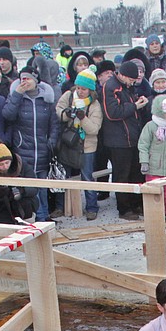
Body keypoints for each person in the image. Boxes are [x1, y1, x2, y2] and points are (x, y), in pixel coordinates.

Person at [2, 67, 58, 221]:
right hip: (23, 148)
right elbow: (7, 114)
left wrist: (51, 141)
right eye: (22, 79)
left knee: (42, 185)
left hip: (42, 148)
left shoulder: (46, 99)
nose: (24, 81)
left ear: (36, 80)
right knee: (28, 185)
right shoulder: (17, 97)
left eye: (27, 78)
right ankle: (32, 217)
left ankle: (44, 216)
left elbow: (54, 123)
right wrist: (17, 94)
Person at [100, 59, 150, 220]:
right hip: (118, 140)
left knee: (136, 173)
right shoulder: (110, 87)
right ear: (122, 75)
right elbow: (112, 113)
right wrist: (135, 106)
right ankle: (124, 208)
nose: (132, 82)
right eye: (130, 79)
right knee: (122, 175)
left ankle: (136, 204)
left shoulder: (127, 86)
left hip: (132, 137)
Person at [55, 68, 103, 220]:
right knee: (64, 176)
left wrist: (83, 118)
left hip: (86, 145)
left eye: (84, 89)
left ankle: (91, 207)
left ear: (90, 89)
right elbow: (58, 110)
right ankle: (61, 206)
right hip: (68, 142)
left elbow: (94, 129)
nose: (80, 91)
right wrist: (66, 114)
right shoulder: (69, 96)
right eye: (78, 88)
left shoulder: (94, 105)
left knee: (87, 177)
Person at [139, 97, 166, 221]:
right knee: (153, 192)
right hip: (153, 166)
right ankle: (154, 214)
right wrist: (144, 162)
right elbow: (143, 145)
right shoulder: (151, 126)